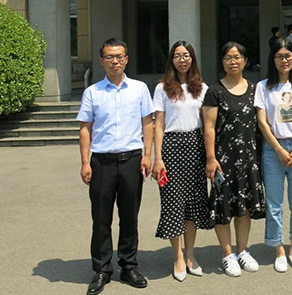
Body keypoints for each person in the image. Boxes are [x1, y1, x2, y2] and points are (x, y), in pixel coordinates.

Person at [77, 38, 154, 295]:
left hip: (132, 160)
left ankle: (129, 266)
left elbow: (147, 123)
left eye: (119, 56)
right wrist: (85, 162)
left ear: (126, 59)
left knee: (129, 216)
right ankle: (102, 269)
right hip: (102, 162)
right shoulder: (93, 92)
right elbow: (85, 128)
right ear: (102, 61)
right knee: (101, 218)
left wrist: (147, 155)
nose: (115, 61)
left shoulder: (139, 89)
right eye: (109, 57)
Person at [203, 42, 266, 277]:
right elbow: (209, 127)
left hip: (249, 158)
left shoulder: (255, 89)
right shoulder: (215, 91)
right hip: (223, 159)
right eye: (228, 57)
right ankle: (227, 254)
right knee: (223, 206)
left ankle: (242, 251)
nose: (233, 61)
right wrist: (211, 158)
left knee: (245, 207)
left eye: (237, 57)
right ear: (222, 62)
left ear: (245, 61)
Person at [152, 41, 210, 282]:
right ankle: (177, 256)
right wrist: (157, 158)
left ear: (192, 59)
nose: (182, 59)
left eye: (186, 55)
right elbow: (158, 124)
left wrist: (210, 156)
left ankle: (190, 254)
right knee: (173, 204)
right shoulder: (162, 88)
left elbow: (207, 124)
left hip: (196, 147)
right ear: (172, 60)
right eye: (177, 55)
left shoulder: (202, 88)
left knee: (193, 204)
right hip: (171, 148)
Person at [255, 39, 292, 273]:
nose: (284, 60)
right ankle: (278, 249)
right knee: (274, 203)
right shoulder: (263, 87)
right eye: (279, 56)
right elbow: (262, 122)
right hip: (273, 149)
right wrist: (279, 149)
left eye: (288, 55)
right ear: (273, 59)